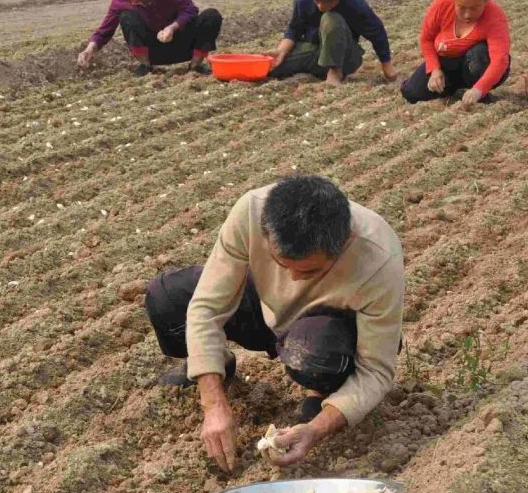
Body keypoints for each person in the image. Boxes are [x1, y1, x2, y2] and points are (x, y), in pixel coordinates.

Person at [144, 176, 405, 472]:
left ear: (344, 243)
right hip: (265, 308)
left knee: (314, 352)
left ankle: (321, 392)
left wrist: (317, 428)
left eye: (309, 270)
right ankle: (218, 364)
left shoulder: (378, 259)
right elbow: (207, 306)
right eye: (282, 265)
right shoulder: (252, 211)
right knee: (167, 297)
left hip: (324, 329)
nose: (292, 279)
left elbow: (375, 370)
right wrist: (213, 404)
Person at [77, 0, 222, 76]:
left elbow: (189, 10)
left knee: (211, 16)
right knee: (127, 17)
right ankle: (146, 67)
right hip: (154, 50)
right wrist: (89, 50)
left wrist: (172, 28)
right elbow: (104, 31)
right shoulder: (120, 0)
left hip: (184, 43)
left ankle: (195, 66)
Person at [401, 0, 511, 108]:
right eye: (461, 7)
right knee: (412, 93)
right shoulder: (442, 4)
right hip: (447, 61)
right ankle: (451, 87)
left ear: (486, 1)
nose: (467, 14)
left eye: (474, 8)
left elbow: (499, 60)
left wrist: (479, 90)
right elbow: (426, 39)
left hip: (474, 65)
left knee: (479, 55)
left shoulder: (495, 16)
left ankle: (480, 92)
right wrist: (434, 69)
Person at [268, 0, 396, 86]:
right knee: (271, 67)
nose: (321, 6)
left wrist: (387, 65)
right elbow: (294, 29)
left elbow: (377, 32)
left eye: (328, 2)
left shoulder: (354, 3)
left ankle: (334, 73)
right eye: (317, 1)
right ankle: (314, 70)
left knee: (330, 18)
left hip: (345, 57)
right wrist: (281, 51)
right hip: (315, 52)